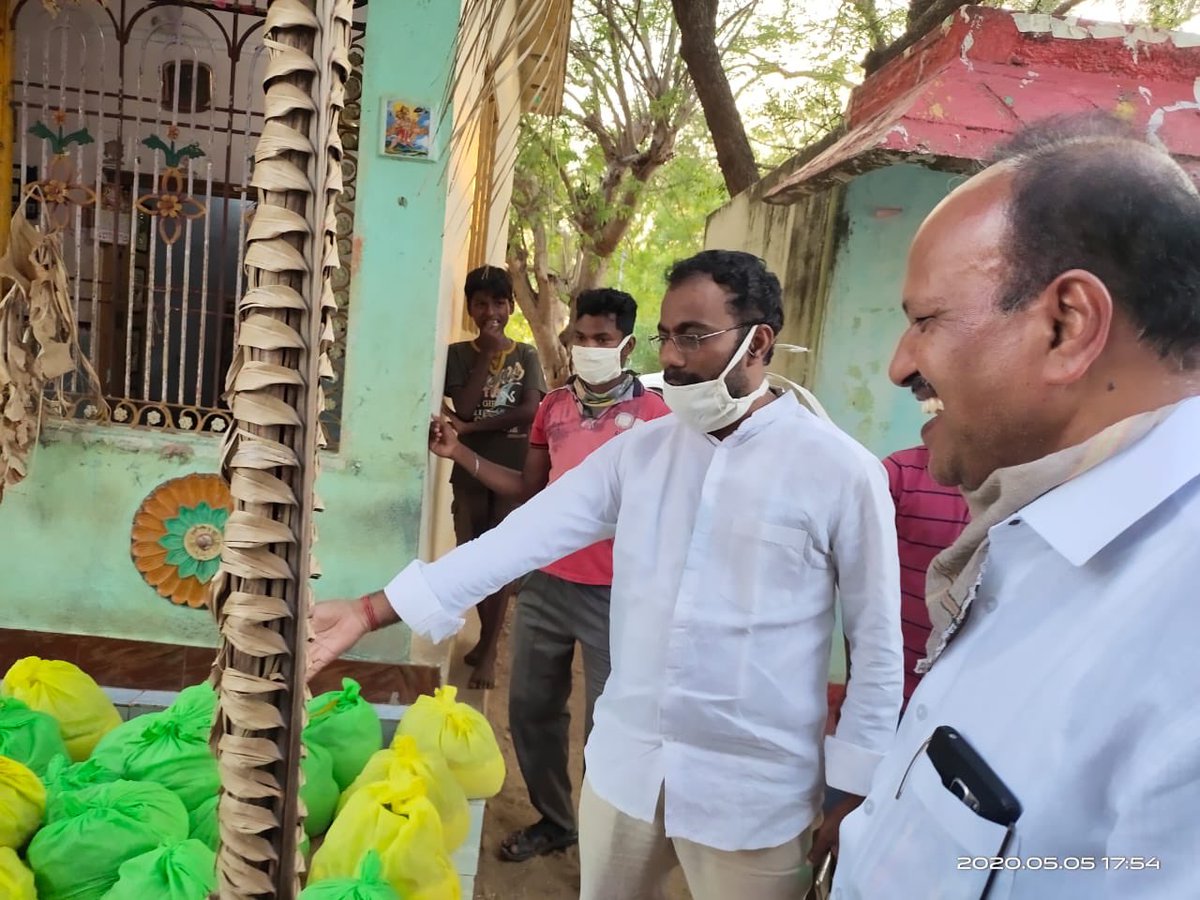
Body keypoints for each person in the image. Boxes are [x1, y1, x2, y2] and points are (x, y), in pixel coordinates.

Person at [310, 250, 903, 900]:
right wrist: (373, 609)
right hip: (626, 776)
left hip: (754, 800)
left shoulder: (842, 472)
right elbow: (520, 538)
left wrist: (855, 794)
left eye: (694, 336)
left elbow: (877, 652)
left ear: (758, 341)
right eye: (666, 336)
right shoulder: (639, 455)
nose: (672, 357)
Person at [833, 113, 1200, 898]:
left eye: (926, 321)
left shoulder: (1181, 632)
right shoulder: (1039, 519)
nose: (901, 366)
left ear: (1068, 325)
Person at [431, 288, 670, 862]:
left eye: (603, 340)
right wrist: (459, 453)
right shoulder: (555, 408)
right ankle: (557, 819)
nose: (589, 348)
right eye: (581, 338)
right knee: (532, 709)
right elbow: (529, 493)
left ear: (628, 345)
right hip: (545, 585)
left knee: (610, 723)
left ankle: (606, 833)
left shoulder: (660, 419)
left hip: (619, 593)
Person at [442, 264, 547, 688]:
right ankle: (486, 638)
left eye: (499, 302)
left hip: (511, 468)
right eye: (481, 303)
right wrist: (485, 354)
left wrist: (469, 429)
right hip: (467, 469)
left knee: (500, 561)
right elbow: (463, 408)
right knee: (472, 559)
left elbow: (530, 410)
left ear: (511, 306)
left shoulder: (526, 355)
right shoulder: (458, 354)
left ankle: (489, 647)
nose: (491, 311)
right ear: (469, 307)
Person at [882, 445, 969, 706]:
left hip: (970, 708)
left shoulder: (1047, 489)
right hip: (892, 696)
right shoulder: (900, 472)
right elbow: (859, 592)